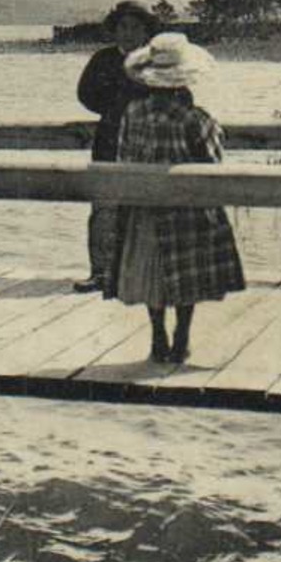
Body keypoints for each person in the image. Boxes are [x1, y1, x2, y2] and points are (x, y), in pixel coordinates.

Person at [106, 33, 246, 364]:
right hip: (186, 207)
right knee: (187, 275)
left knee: (152, 272)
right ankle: (181, 337)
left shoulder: (133, 113)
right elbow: (212, 165)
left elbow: (124, 156)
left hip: (145, 206)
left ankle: (157, 335)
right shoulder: (195, 119)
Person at [73, 0, 159, 292]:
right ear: (114, 29)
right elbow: (85, 94)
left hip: (148, 141)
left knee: (145, 207)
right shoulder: (103, 59)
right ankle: (100, 272)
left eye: (135, 27)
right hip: (109, 138)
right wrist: (114, 109)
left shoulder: (157, 60)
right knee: (104, 207)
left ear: (146, 31)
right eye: (122, 26)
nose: (128, 33)